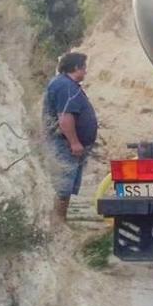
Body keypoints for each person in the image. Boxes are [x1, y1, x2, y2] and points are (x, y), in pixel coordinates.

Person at [44, 51, 97, 223]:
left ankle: (60, 221)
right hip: (64, 145)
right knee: (63, 187)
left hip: (65, 144)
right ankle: (57, 223)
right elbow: (65, 117)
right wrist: (74, 143)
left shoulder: (64, 85)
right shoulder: (66, 86)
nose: (86, 72)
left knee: (65, 187)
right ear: (76, 68)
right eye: (84, 68)